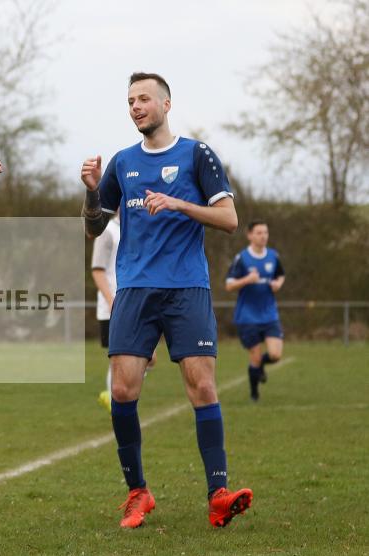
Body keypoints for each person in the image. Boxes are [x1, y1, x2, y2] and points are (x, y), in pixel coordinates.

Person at [80, 72, 252, 529]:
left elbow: (230, 219)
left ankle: (218, 494)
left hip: (186, 288)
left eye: (144, 99)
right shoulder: (122, 162)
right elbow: (95, 227)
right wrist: (93, 191)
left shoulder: (197, 155)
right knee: (122, 390)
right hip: (134, 290)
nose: (136, 107)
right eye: (130, 100)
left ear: (166, 105)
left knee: (202, 387)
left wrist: (179, 205)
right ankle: (138, 492)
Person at [91, 213, 158, 411]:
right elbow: (97, 269)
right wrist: (112, 301)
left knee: (150, 358)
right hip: (113, 306)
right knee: (121, 360)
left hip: (138, 303)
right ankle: (116, 402)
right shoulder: (107, 230)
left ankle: (113, 397)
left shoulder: (142, 228)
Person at [225, 220, 285, 401]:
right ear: (250, 235)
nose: (263, 236)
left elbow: (280, 275)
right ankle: (254, 394)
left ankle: (259, 368)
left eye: (265, 232)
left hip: (269, 314)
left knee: (275, 355)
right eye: (259, 233)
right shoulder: (242, 258)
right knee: (256, 357)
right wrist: (247, 280)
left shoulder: (273, 256)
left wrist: (277, 284)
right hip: (247, 316)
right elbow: (229, 285)